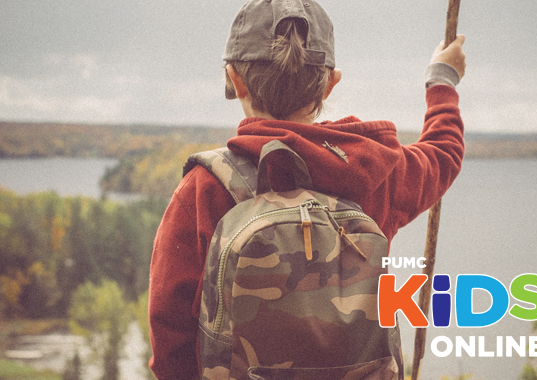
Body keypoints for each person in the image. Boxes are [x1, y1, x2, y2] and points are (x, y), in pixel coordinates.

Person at [148, 0, 466, 379]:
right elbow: (444, 152)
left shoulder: (204, 189)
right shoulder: (374, 172)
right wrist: (441, 80)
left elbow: (169, 334)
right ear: (331, 83)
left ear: (234, 80)